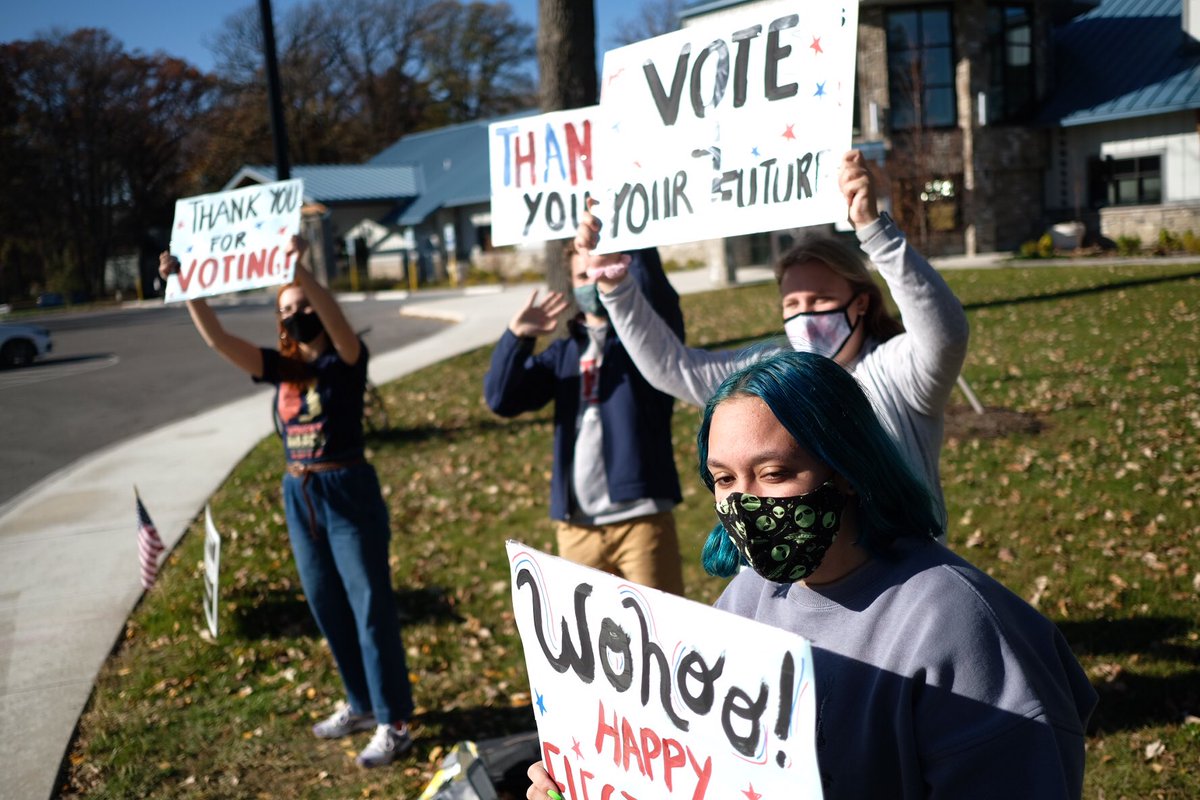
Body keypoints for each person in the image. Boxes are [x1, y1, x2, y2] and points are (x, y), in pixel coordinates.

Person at [527, 350, 1097, 800]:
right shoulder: (747, 598)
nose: (746, 503)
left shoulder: (958, 626)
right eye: (724, 479)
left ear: (847, 471)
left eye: (774, 473)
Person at [574, 150, 969, 530]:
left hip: (894, 582)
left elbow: (945, 334)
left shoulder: (898, 371)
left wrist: (872, 229)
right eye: (792, 303)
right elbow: (671, 367)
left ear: (861, 303)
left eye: (820, 300)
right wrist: (616, 288)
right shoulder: (764, 377)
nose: (805, 314)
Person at [159, 238, 415, 768]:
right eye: (286, 310)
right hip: (299, 493)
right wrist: (187, 287)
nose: (297, 316)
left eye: (303, 307)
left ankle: (395, 720)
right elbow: (219, 341)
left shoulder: (347, 359)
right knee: (325, 603)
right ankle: (360, 704)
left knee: (369, 605)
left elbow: (337, 322)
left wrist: (301, 273)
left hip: (346, 487)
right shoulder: (284, 368)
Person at [483, 244, 687, 594]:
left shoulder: (650, 342)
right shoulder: (563, 353)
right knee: (587, 646)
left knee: (661, 637)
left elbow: (656, 290)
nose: (592, 283)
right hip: (577, 527)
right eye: (582, 275)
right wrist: (517, 338)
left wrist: (630, 239)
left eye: (600, 272)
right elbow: (501, 398)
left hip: (641, 519)